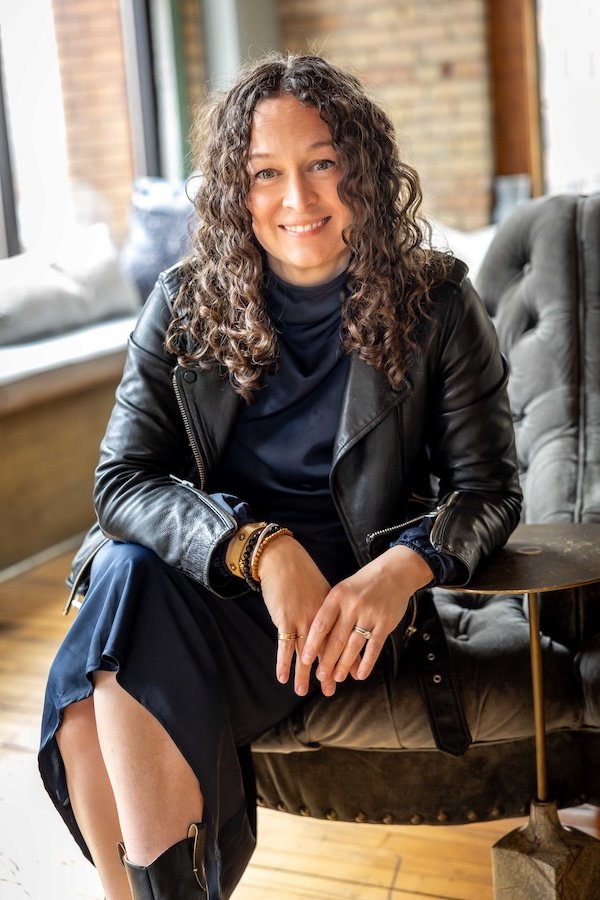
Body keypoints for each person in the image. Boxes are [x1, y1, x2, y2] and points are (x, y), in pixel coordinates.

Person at [39, 52, 522, 900]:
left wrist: (402, 568)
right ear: (237, 188)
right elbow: (123, 481)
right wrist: (259, 548)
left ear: (362, 169)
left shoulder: (438, 302)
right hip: (213, 583)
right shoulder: (184, 304)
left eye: (322, 163)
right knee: (126, 579)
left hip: (340, 608)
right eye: (266, 173)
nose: (297, 198)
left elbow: (488, 489)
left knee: (94, 676)